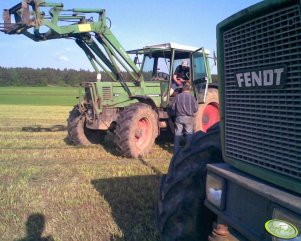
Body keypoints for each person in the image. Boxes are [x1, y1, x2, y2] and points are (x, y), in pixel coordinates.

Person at [171, 83, 198, 153]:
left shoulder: (177, 97)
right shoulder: (192, 97)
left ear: (183, 89)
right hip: (189, 118)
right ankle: (188, 150)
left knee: (177, 133)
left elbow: (173, 107)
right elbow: (196, 109)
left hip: (179, 117)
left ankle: (176, 150)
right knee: (189, 133)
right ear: (189, 90)